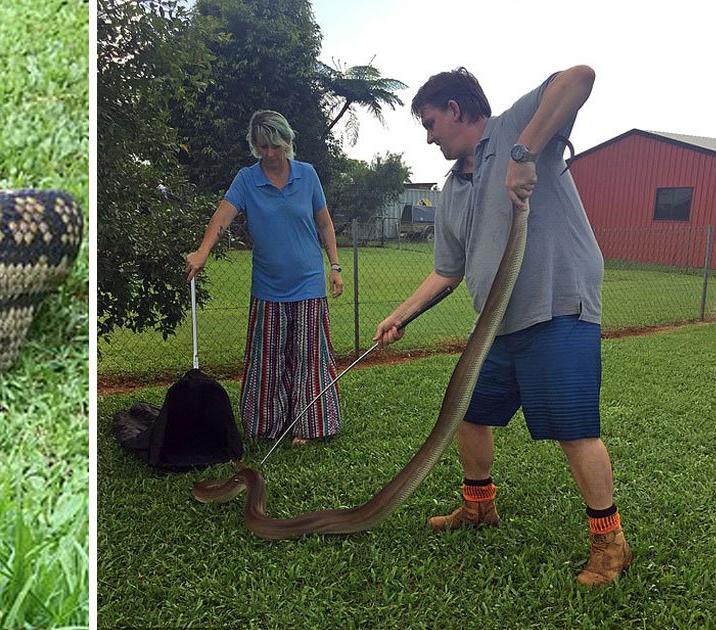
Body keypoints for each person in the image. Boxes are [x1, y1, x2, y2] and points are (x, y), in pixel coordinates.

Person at [374, 66, 630, 586]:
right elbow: (448, 270)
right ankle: (479, 506)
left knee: (574, 430)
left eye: (429, 122)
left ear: (456, 110)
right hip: (498, 325)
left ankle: (610, 545)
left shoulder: (516, 126)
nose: (428, 136)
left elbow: (579, 77)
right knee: (469, 411)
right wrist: (400, 315)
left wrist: (523, 153)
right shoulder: (450, 190)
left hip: (557, 306)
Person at [186, 110, 344, 444]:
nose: (270, 154)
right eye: (262, 147)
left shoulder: (308, 175)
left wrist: (335, 266)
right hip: (268, 287)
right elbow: (221, 218)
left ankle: (308, 426)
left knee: (309, 357)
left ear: (287, 141)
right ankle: (267, 425)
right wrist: (202, 251)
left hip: (309, 283)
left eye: (275, 146)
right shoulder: (246, 179)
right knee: (267, 358)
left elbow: (325, 223)